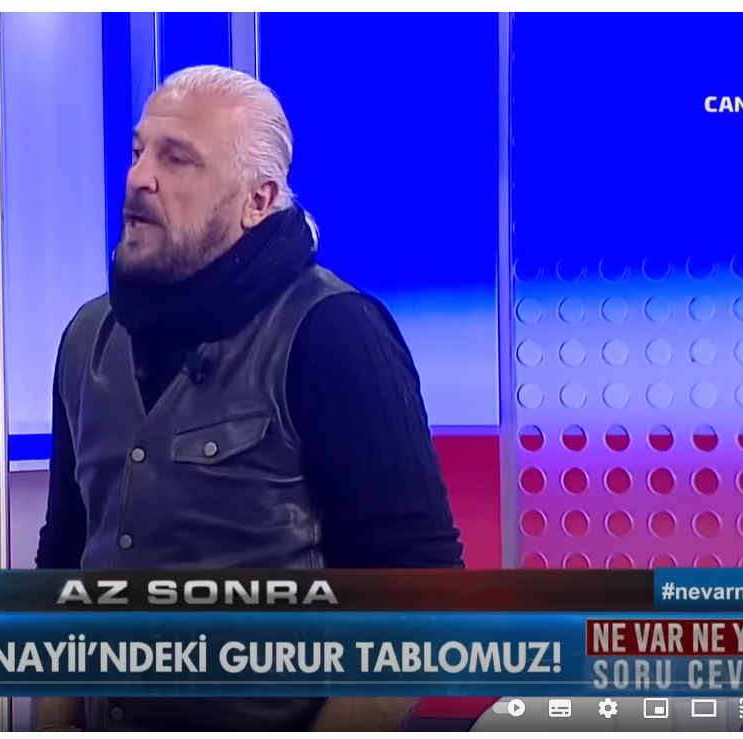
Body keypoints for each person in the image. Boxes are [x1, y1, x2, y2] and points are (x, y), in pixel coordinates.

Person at [33, 64, 464, 732]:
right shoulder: (88, 337)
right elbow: (63, 564)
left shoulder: (334, 331)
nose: (139, 177)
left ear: (256, 201)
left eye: (177, 159)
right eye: (138, 150)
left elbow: (419, 591)